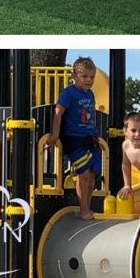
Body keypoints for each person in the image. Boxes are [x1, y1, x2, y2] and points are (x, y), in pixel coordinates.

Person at [45, 57, 101, 220]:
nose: (89, 80)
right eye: (85, 77)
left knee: (91, 176)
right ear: (74, 76)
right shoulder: (68, 92)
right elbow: (58, 112)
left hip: (89, 137)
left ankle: (87, 207)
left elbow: (90, 115)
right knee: (83, 173)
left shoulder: (90, 94)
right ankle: (83, 209)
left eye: (92, 77)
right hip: (74, 138)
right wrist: (55, 134)